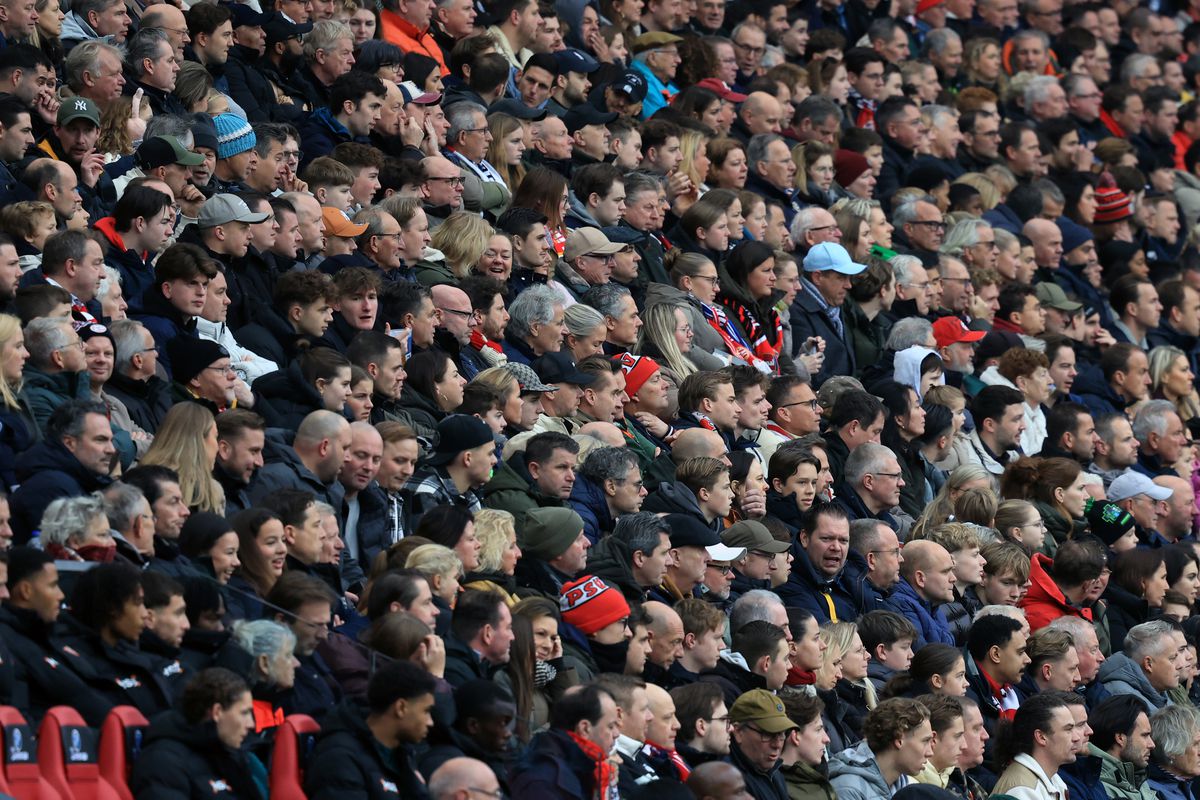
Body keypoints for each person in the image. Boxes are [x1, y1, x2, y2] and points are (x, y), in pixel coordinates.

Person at [304, 660, 438, 799]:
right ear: (401, 708)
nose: (430, 722)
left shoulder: (403, 754)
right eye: (426, 711)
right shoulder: (339, 758)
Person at [128, 668, 261, 800]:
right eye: (244, 713)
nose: (251, 724)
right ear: (217, 712)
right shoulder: (161, 762)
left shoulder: (224, 752)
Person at [509, 683, 622, 800]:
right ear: (585, 728)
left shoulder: (590, 767)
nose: (616, 734)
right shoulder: (543, 781)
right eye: (610, 726)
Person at [829, 697, 934, 800]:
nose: (930, 753)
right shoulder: (847, 791)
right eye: (925, 741)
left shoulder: (905, 786)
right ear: (899, 740)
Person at [992, 692, 1079, 800]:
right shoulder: (1022, 790)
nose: (1076, 737)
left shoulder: (1053, 778)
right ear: (1041, 737)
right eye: (1068, 729)